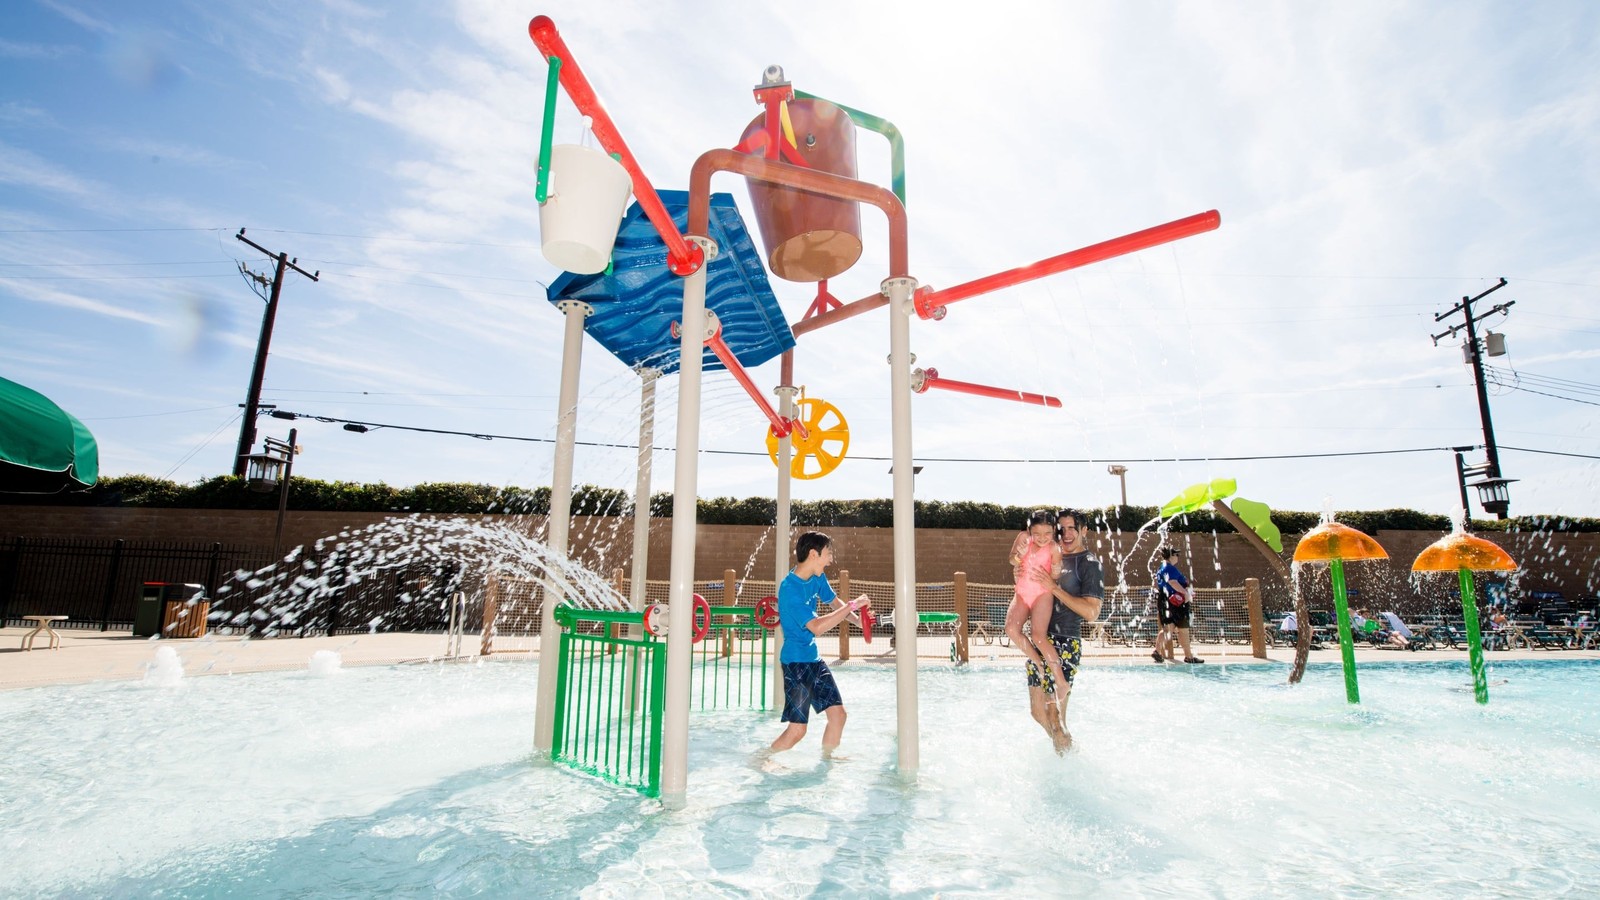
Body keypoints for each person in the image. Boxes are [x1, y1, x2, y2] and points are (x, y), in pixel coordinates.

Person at [770, 531, 871, 757]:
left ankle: (827, 761)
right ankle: (764, 758)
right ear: (814, 554)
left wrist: (859, 622)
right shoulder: (789, 589)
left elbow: (835, 603)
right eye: (828, 553)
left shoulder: (817, 578)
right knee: (797, 731)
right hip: (795, 664)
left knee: (838, 715)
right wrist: (853, 605)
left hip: (814, 660)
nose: (831, 559)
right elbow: (815, 626)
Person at [1024, 507, 1103, 754]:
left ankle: (1067, 760)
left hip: (1064, 642)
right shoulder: (1050, 552)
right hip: (1040, 640)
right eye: (1062, 528)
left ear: (1084, 530)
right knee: (1038, 712)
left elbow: (1092, 613)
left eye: (1072, 528)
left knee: (1055, 717)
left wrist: (1054, 588)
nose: (1066, 534)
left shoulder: (1089, 564)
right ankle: (1068, 753)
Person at [1005, 510, 1067, 697]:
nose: (1042, 538)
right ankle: (1039, 664)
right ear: (1030, 529)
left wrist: (1056, 570)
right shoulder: (1024, 538)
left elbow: (1055, 576)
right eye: (1037, 533)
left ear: (1053, 531)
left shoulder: (1054, 548)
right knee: (1011, 629)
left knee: (1038, 636)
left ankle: (1061, 682)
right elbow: (1011, 560)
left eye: (1047, 533)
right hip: (1023, 591)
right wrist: (1018, 557)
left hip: (1042, 593)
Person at [1152, 547, 1202, 663]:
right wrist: (1185, 593)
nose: (1178, 557)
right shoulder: (1169, 568)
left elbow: (1157, 585)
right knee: (1183, 629)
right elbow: (1172, 582)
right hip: (1176, 602)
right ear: (1171, 556)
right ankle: (1188, 657)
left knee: (1168, 628)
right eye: (1176, 555)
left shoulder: (1161, 568)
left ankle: (1157, 651)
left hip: (1165, 599)